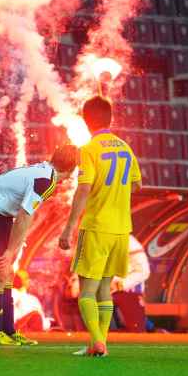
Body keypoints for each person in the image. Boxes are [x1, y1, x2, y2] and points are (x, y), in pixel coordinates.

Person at [59, 96, 142, 357]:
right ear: (111, 118)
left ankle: (97, 341)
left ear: (85, 120)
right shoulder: (125, 147)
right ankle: (100, 341)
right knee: (105, 289)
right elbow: (137, 184)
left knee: (87, 290)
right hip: (121, 229)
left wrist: (69, 228)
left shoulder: (90, 149)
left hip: (96, 227)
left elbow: (83, 188)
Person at [0, 144, 79, 346]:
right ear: (72, 168)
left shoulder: (44, 171)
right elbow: (25, 216)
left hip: (2, 216)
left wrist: (13, 248)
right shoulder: (46, 180)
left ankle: (9, 331)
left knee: (8, 274)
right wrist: (12, 250)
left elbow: (23, 215)